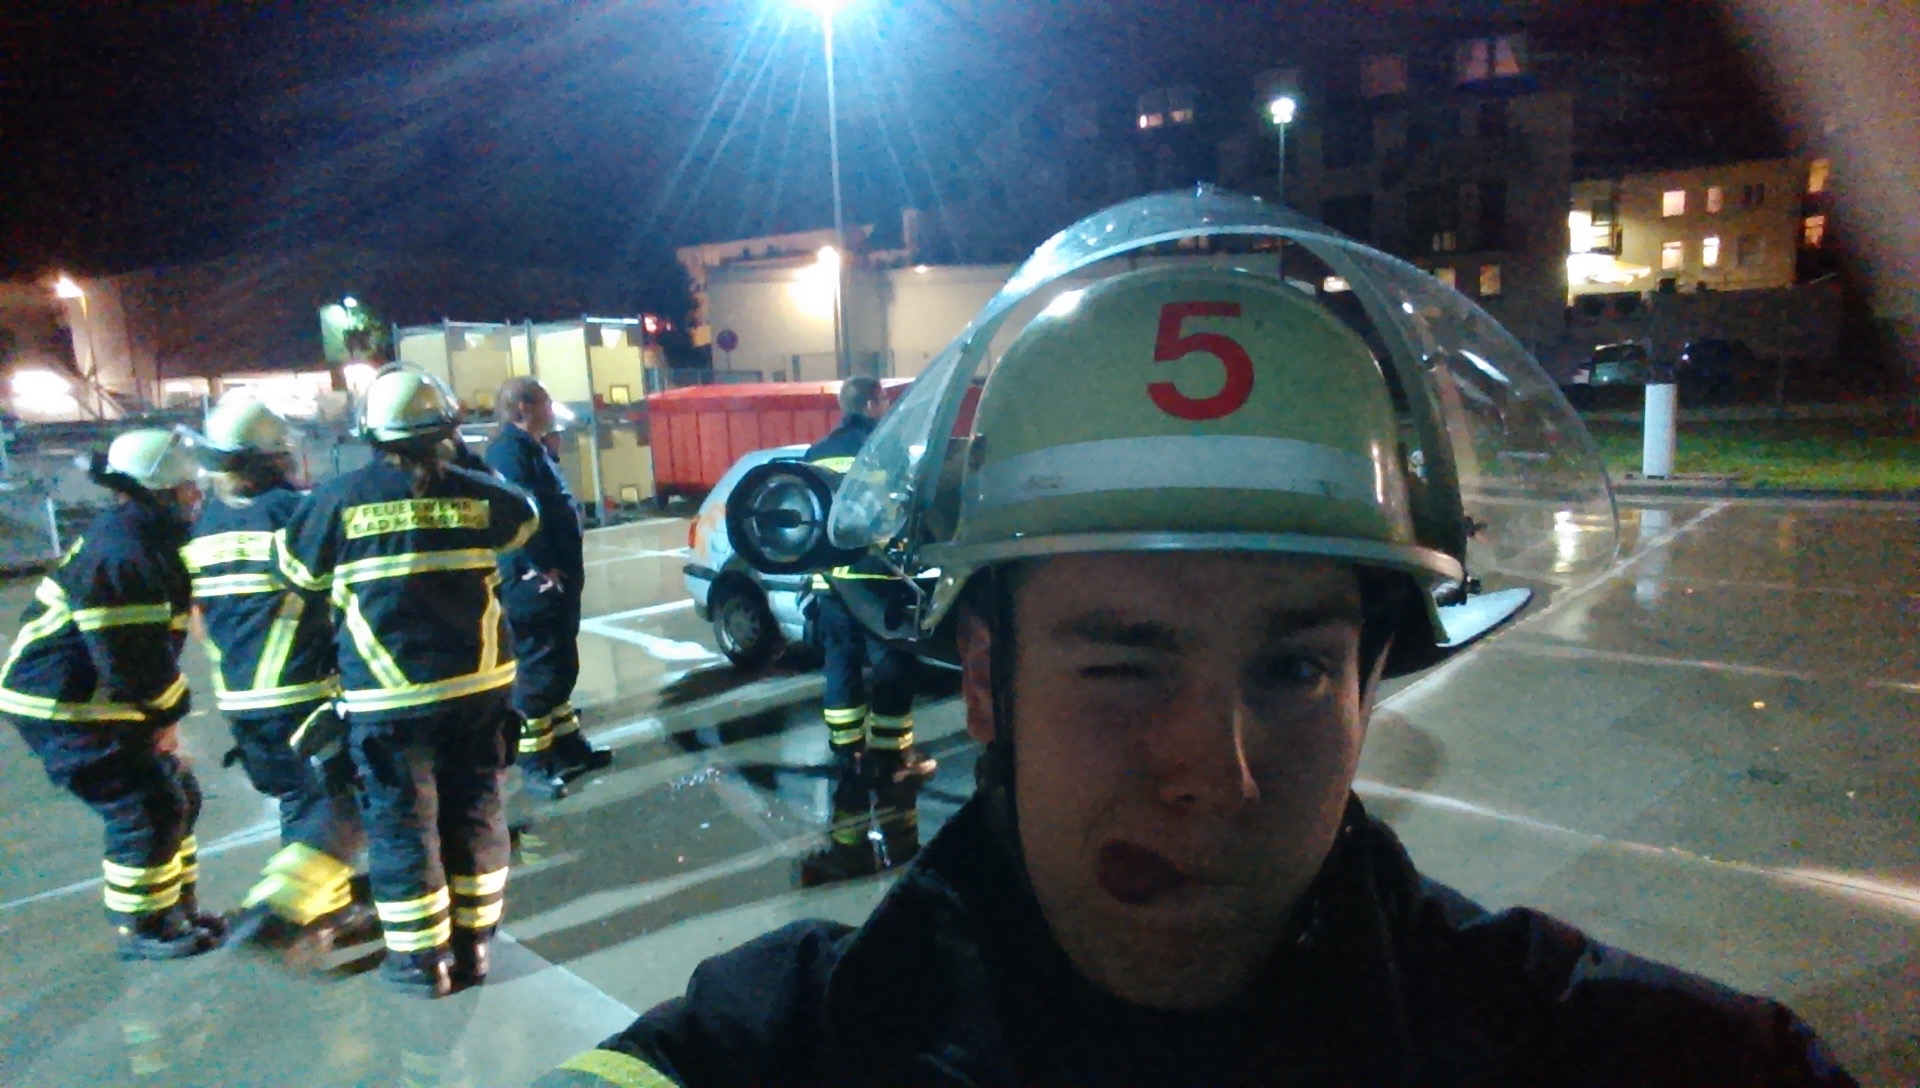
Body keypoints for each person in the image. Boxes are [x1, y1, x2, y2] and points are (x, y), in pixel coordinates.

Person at [534, 202, 1856, 1085]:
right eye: (1122, 662)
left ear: (1370, 682)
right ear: (986, 680)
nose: (1214, 776)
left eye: (1293, 669)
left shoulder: (1613, 1050)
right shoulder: (772, 1051)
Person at [278, 364, 537, 997]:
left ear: (371, 433)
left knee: (401, 827)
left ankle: (421, 964)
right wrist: (463, 466)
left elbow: (296, 573)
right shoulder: (481, 496)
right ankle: (474, 947)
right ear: (447, 428)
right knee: (477, 812)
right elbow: (523, 518)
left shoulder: (338, 499)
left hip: (387, 698)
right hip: (478, 690)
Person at [0, 428, 225, 959]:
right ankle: (145, 928)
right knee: (144, 806)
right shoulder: (126, 552)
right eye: (186, 487)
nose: (195, 495)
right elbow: (131, 663)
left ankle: (175, 907)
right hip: (64, 706)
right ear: (158, 491)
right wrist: (166, 720)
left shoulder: (141, 536)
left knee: (177, 794)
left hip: (92, 700)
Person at [183, 390, 375, 960]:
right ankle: (279, 907)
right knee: (347, 802)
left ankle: (328, 910)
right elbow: (347, 591)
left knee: (300, 798)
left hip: (239, 696)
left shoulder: (206, 523)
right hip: (304, 690)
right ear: (276, 456)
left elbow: (200, 617)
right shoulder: (296, 514)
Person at [797, 375, 934, 886]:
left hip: (832, 584)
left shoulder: (817, 452)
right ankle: (892, 757)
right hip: (880, 582)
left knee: (840, 667)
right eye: (885, 400)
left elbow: (809, 521)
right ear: (874, 403)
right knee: (893, 668)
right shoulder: (887, 451)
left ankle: (848, 753)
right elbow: (907, 513)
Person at [486, 376, 610, 799]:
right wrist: (542, 566)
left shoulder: (530, 448)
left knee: (558, 665)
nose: (551, 409)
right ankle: (534, 763)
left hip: (554, 578)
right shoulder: (508, 452)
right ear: (523, 407)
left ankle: (567, 745)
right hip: (533, 582)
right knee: (538, 671)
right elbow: (519, 513)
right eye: (545, 402)